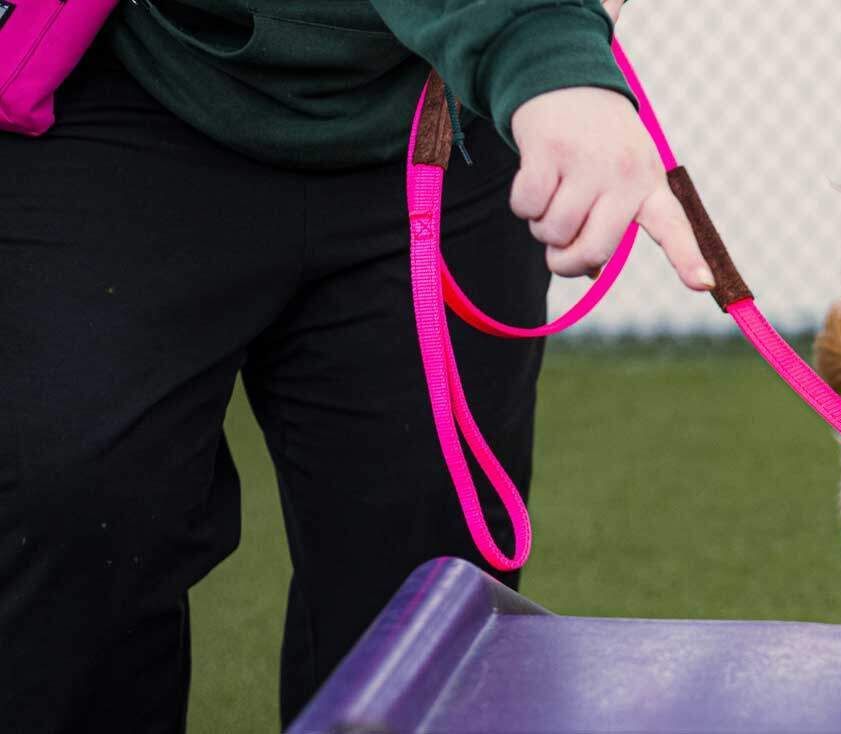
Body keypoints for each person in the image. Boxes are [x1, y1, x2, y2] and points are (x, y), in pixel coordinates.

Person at [0, 0, 710, 730]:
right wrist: (543, 44)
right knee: (70, 544)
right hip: (125, 90)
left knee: (423, 608)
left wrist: (557, 46)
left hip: (443, 115)